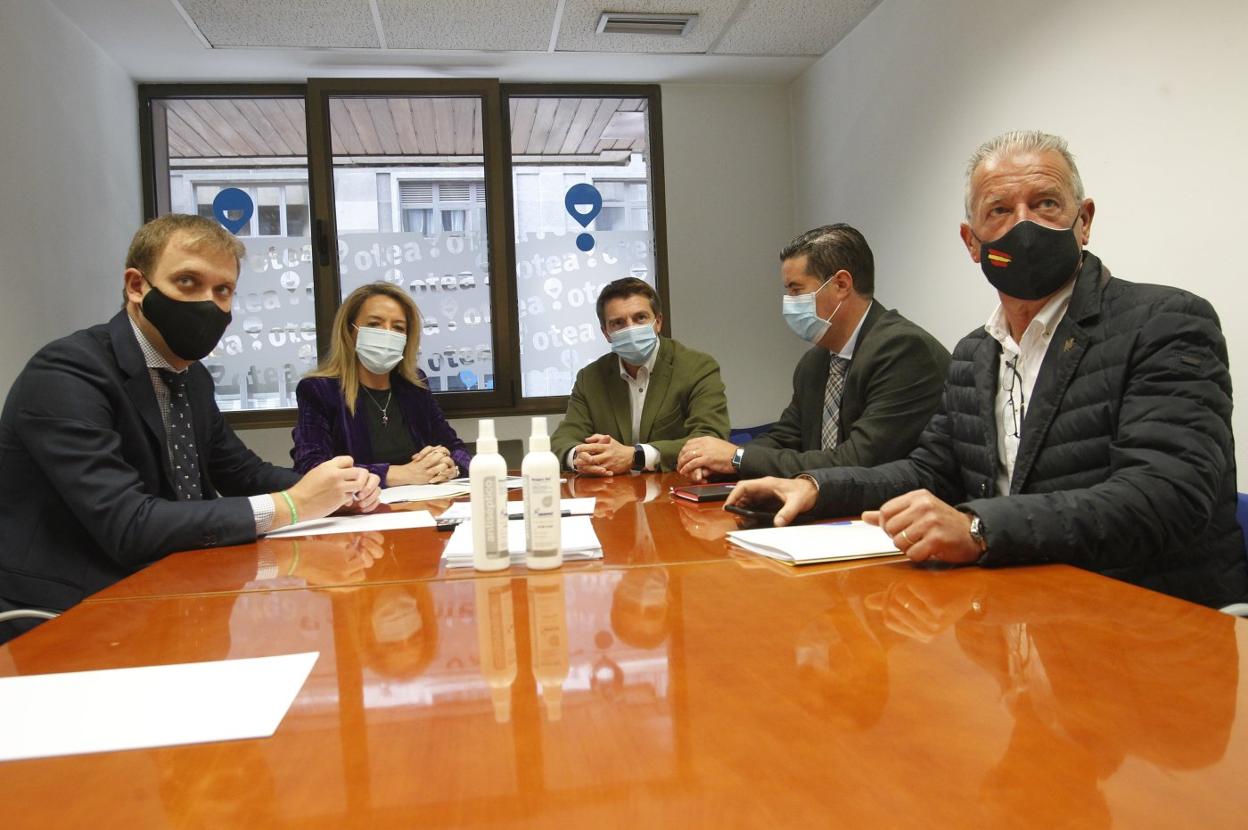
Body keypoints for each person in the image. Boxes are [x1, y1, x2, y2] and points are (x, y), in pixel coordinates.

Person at [727, 130, 1248, 609]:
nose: (1023, 225)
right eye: (998, 210)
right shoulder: (975, 353)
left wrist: (977, 528)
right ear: (972, 241)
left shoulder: (1166, 322)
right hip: (1022, 611)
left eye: (1045, 204)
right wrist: (817, 488)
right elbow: (929, 470)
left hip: (1152, 620)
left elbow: (1167, 494)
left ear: (1083, 220)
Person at [0, 214, 381, 639]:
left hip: (176, 592)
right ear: (136, 286)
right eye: (187, 282)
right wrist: (292, 505)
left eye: (223, 291)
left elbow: (240, 472)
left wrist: (333, 491)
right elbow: (128, 524)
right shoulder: (67, 373)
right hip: (73, 616)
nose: (209, 304)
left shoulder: (191, 376)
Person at [677, 224, 950, 481]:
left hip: (895, 519)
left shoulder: (903, 350)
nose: (790, 303)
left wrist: (738, 458)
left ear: (841, 284)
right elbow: (784, 438)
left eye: (797, 290)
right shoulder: (815, 361)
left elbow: (858, 460)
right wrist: (719, 463)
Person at [292, 282, 468, 486]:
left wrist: (450, 467)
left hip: (423, 506)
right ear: (350, 331)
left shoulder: (414, 385)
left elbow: (457, 449)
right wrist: (401, 474)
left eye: (398, 328)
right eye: (374, 324)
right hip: (361, 512)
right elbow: (311, 467)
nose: (387, 333)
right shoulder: (319, 390)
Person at [551, 277, 729, 475]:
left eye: (640, 318)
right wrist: (578, 457)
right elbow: (562, 440)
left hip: (672, 492)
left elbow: (711, 438)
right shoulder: (590, 378)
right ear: (606, 333)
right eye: (618, 323)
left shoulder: (697, 367)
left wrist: (636, 456)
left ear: (658, 322)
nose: (630, 328)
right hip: (613, 496)